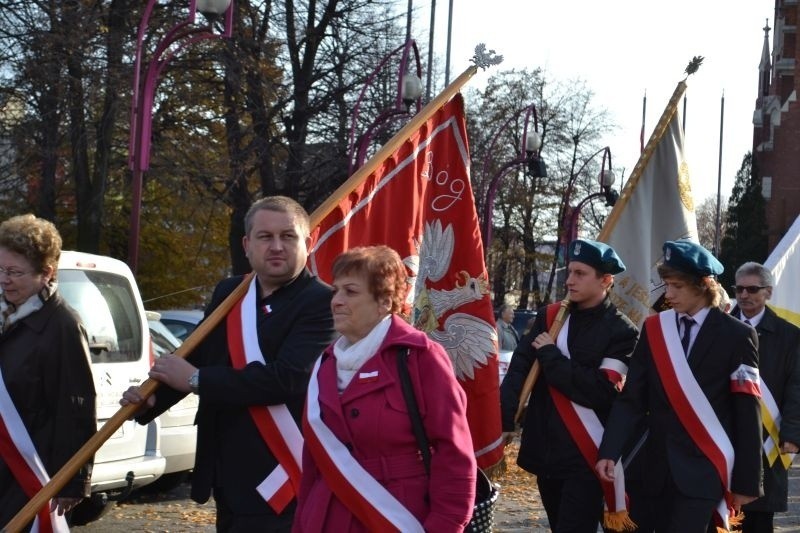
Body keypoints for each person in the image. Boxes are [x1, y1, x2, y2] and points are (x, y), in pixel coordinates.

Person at [121, 196, 336, 532]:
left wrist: (196, 381)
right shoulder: (231, 292)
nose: (277, 246)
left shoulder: (323, 302)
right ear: (247, 245)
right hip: (227, 472)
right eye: (265, 237)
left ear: (307, 243)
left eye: (288, 236)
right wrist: (152, 399)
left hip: (282, 476)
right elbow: (200, 356)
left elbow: (285, 379)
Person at [294, 245, 476, 532]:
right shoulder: (325, 363)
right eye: (335, 291)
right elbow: (313, 463)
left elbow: (454, 453)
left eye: (350, 292)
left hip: (395, 515)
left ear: (384, 301)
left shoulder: (419, 356)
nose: (336, 301)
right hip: (327, 517)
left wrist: (445, 525)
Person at [596, 240, 763, 532]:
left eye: (677, 287)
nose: (668, 294)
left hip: (704, 471)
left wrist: (747, 481)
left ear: (704, 284)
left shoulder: (738, 336)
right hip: (653, 470)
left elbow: (747, 412)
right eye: (666, 285)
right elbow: (632, 400)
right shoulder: (654, 329)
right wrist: (609, 451)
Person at [499, 238, 639, 532]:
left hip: (584, 457)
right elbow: (519, 369)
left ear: (606, 280)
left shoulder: (623, 331)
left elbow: (601, 391)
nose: (569, 281)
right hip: (544, 450)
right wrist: (504, 418)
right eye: (569, 272)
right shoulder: (548, 317)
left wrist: (551, 356)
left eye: (580, 274)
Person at [0, 214, 96, 531]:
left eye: (14, 272)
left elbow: (76, 406)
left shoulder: (63, 326)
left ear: (46, 273)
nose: (4, 279)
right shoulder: (3, 314)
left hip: (29, 470)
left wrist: (73, 480)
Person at [731, 262, 800, 533]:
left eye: (752, 289)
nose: (744, 295)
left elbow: (797, 386)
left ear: (768, 292)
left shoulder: (790, 335)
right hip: (724, 431)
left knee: (758, 517)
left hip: (766, 439)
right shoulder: (719, 324)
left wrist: (792, 434)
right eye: (739, 289)